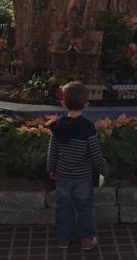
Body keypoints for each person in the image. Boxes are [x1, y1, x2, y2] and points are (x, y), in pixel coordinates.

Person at [46, 81, 109, 250]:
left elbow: (52, 151)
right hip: (82, 177)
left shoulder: (57, 127)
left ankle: (63, 239)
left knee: (63, 206)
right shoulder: (88, 128)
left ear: (63, 104)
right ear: (86, 104)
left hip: (63, 175)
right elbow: (95, 154)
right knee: (84, 207)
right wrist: (104, 169)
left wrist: (51, 168)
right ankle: (86, 239)